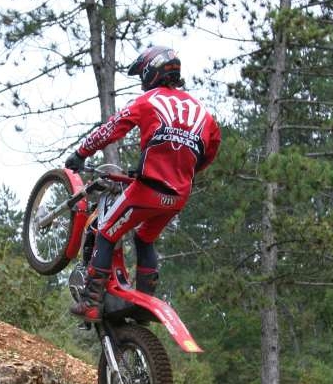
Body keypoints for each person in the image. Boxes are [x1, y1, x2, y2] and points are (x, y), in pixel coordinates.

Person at [65, 45, 221, 322]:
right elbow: (209, 153)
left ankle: (90, 301)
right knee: (144, 237)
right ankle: (144, 306)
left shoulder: (148, 101)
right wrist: (182, 172)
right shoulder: (204, 115)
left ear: (151, 71)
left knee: (106, 232)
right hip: (178, 196)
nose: (141, 82)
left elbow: (111, 129)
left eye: (142, 75)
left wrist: (81, 153)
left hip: (148, 190)